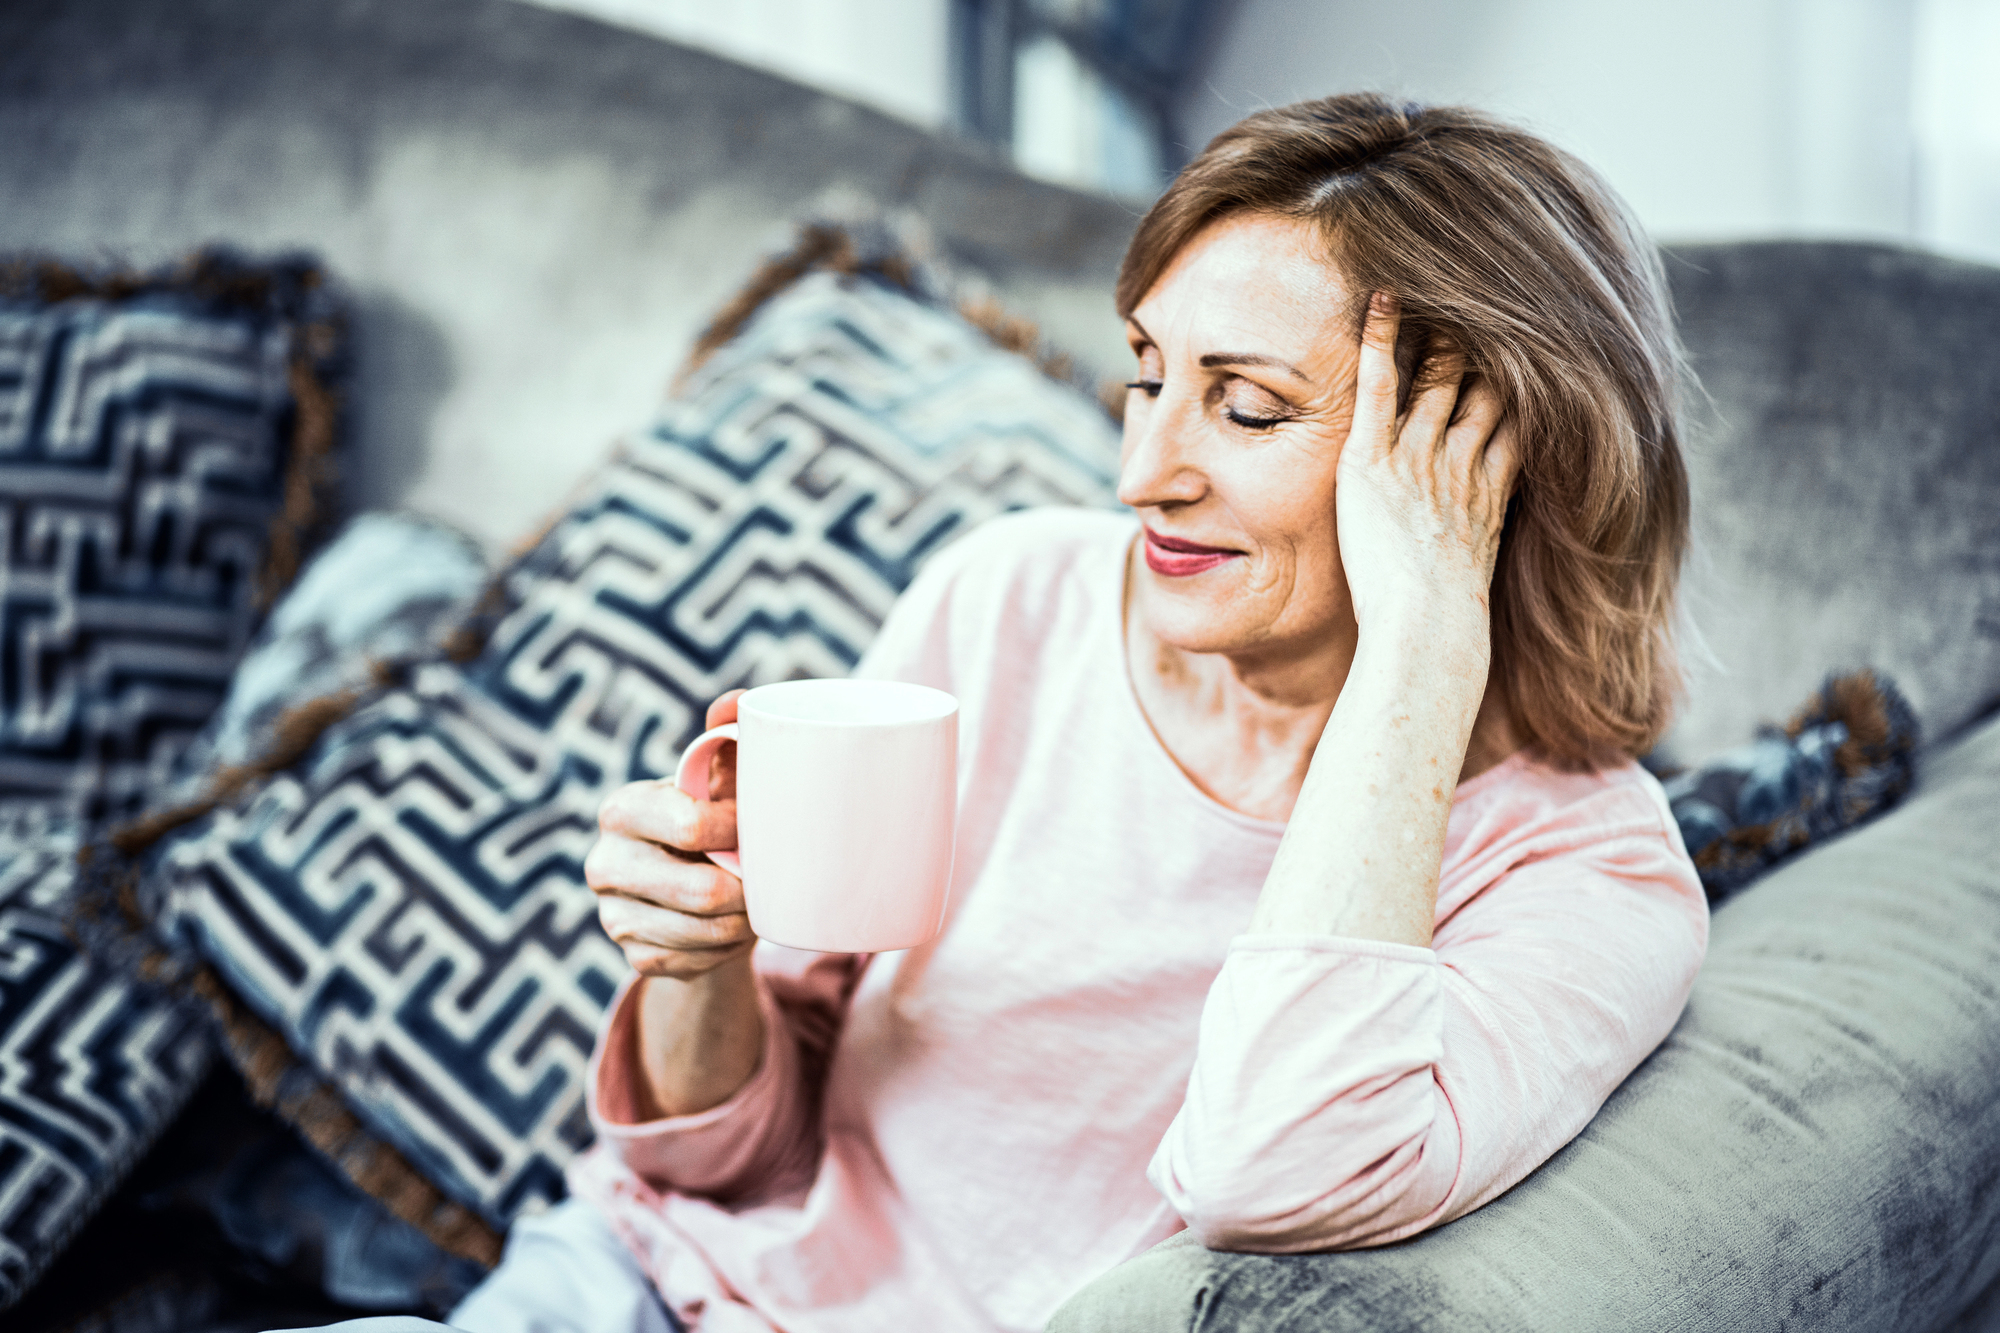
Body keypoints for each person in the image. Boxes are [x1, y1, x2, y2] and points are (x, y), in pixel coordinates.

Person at [284, 92, 1707, 1333]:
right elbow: (725, 1167)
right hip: (641, 1282)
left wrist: (1425, 641)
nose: (1143, 473)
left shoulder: (1589, 873)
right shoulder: (1013, 598)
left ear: (1485, 457)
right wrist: (699, 959)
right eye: (1148, 376)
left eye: (1248, 409)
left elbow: (1271, 1171)